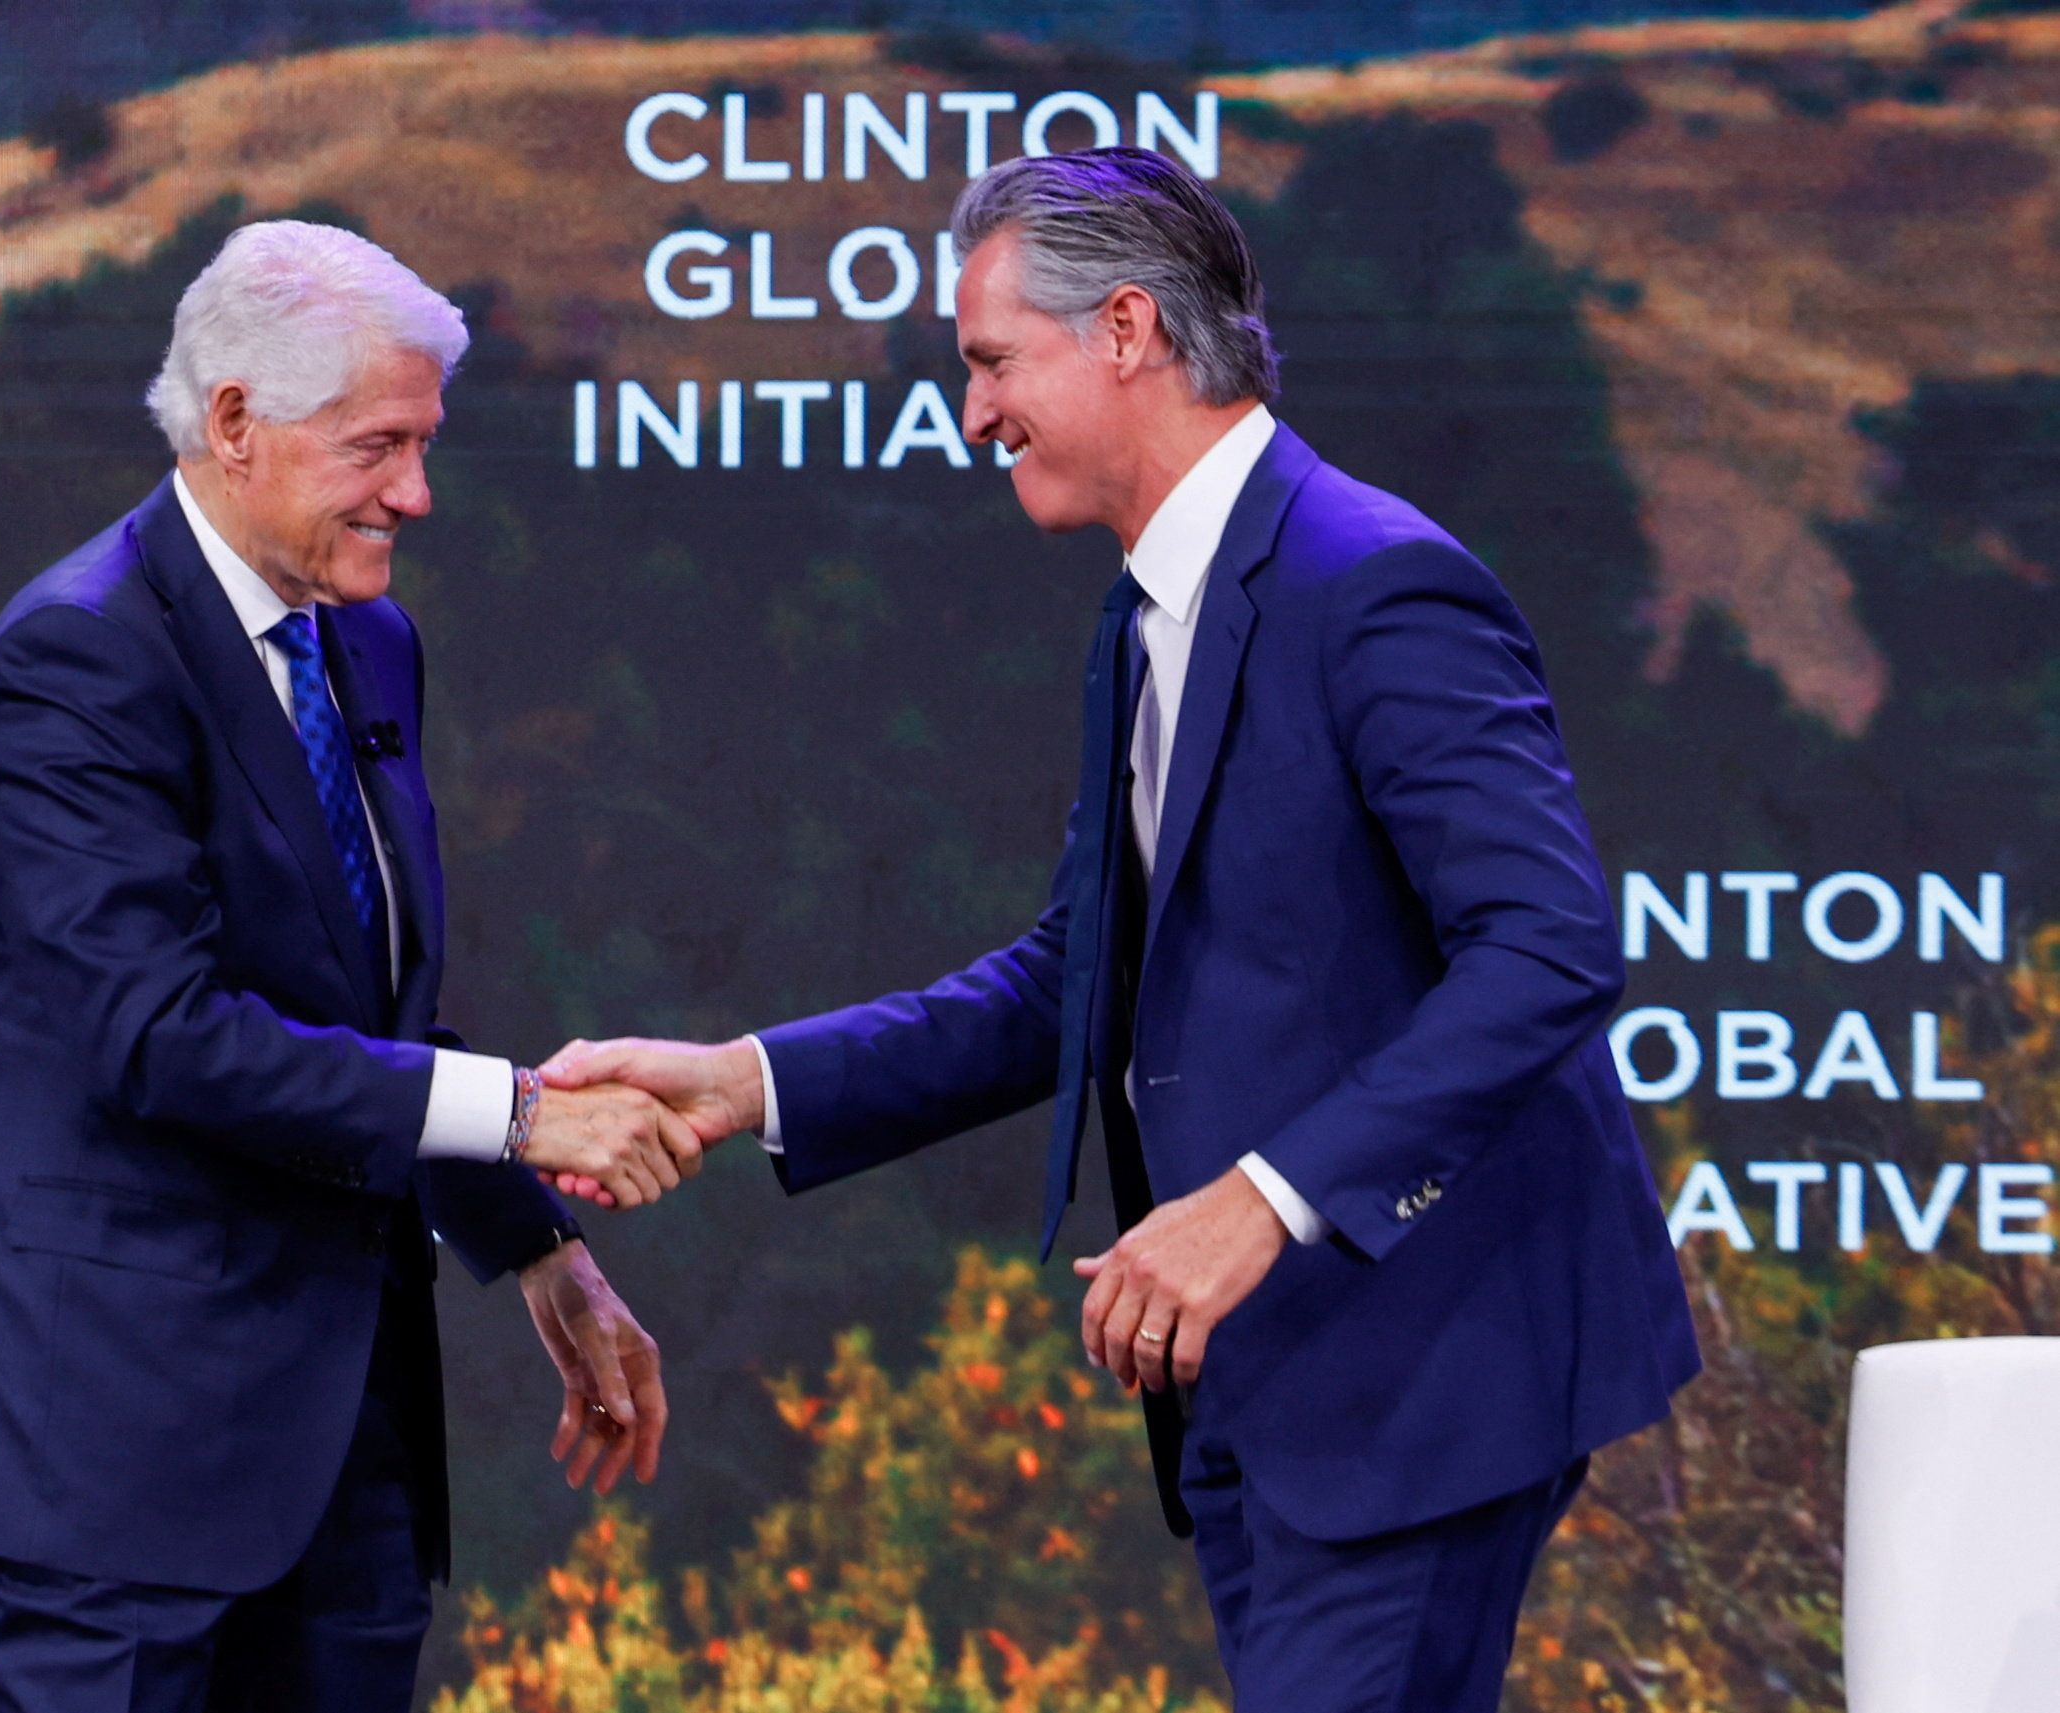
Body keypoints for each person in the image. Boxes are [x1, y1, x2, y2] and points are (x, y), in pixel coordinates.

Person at [542, 148, 1700, 1712]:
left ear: (1130, 330)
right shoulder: (1150, 609)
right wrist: (746, 1079)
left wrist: (1265, 1200)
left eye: (992, 361)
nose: (971, 414)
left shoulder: (1373, 583)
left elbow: (1549, 946)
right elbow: (1067, 982)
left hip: (1425, 1365)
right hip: (1267, 1384)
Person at [0, 219, 699, 1713]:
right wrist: (519, 1111)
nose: (417, 492)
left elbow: (364, 1018)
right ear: (236, 420)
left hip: (338, 1444)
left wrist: (532, 1248)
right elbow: (162, 1034)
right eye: (379, 445)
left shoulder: (367, 646)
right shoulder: (79, 656)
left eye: (425, 444)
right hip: (104, 1451)